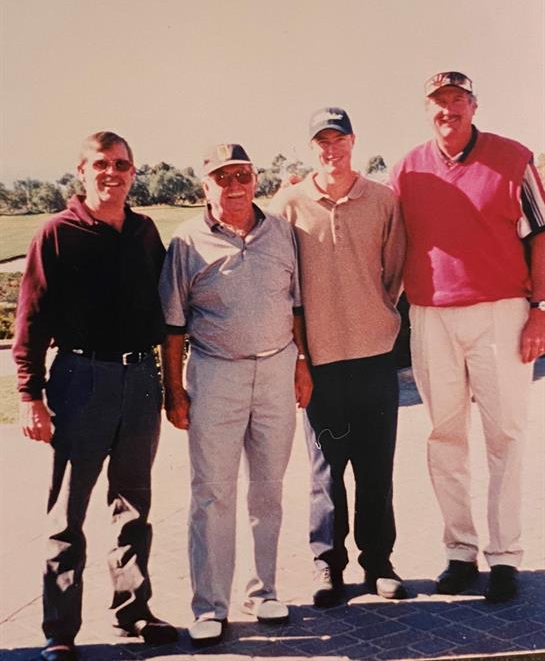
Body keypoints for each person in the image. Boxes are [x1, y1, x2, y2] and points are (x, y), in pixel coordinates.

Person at [13, 132, 177, 661]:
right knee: (68, 514)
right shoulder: (56, 235)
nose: (113, 173)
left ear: (134, 173)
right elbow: (31, 321)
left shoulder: (145, 232)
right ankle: (59, 629)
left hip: (138, 382)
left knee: (133, 504)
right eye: (101, 165)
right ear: (81, 172)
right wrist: (29, 394)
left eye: (122, 165)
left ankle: (133, 610)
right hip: (80, 379)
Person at [390, 71, 545, 602]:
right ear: (426, 108)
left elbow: (541, 234)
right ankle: (459, 551)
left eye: (457, 101)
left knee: (505, 434)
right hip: (432, 315)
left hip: (501, 311)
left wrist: (540, 310)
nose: (447, 111)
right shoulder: (409, 169)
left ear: (474, 106)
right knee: (445, 436)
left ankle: (504, 557)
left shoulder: (513, 157)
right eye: (438, 102)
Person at [159, 143, 312, 645]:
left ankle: (263, 589)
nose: (234, 185)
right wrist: (173, 389)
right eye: (221, 177)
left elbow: (296, 307)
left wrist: (302, 363)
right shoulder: (187, 240)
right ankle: (209, 604)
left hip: (275, 370)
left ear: (255, 179)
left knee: (268, 487)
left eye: (242, 174)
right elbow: (173, 324)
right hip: (215, 373)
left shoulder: (281, 232)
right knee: (212, 492)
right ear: (205, 187)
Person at [269, 108, 407, 606]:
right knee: (326, 468)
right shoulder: (288, 204)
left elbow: (394, 274)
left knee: (376, 467)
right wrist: (301, 355)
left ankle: (379, 563)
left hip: (373, 355)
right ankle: (327, 565)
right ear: (312, 149)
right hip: (320, 361)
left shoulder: (383, 200)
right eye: (321, 142)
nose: (331, 149)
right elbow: (281, 284)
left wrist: (373, 316)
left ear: (353, 142)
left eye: (339, 139)